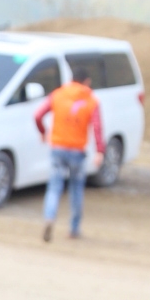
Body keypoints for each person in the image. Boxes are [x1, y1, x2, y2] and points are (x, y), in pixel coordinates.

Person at [34, 62, 104, 242]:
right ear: (87, 82)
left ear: (72, 79)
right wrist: (100, 151)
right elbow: (97, 127)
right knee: (76, 189)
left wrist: (43, 132)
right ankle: (73, 229)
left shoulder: (57, 95)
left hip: (57, 148)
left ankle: (49, 218)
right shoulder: (91, 100)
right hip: (77, 151)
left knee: (54, 188)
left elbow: (38, 115)